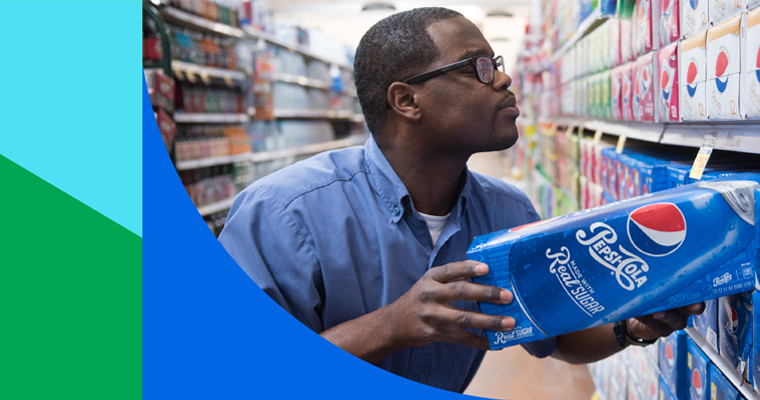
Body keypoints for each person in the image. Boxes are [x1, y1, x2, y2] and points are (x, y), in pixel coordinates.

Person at [217, 7, 703, 393]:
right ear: (407, 101)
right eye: (479, 67)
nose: (504, 79)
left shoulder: (509, 214)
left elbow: (555, 335)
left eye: (499, 64)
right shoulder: (283, 215)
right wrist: (393, 324)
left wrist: (633, 324)